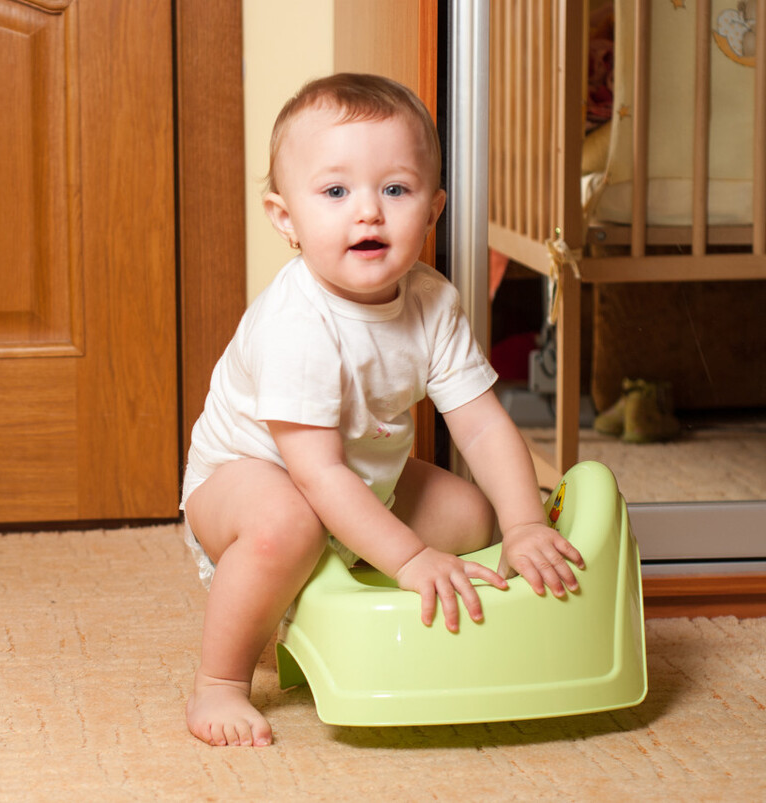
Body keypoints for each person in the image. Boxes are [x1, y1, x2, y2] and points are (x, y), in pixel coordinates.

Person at [180, 73, 585, 748]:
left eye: (395, 190)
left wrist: (521, 524)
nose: (368, 212)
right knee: (291, 524)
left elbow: (482, 423)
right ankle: (220, 680)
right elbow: (317, 474)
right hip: (248, 480)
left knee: (473, 515)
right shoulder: (297, 323)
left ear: (432, 210)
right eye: (336, 192)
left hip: (363, 475)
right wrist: (408, 558)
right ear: (286, 218)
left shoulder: (432, 301)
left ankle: (335, 600)